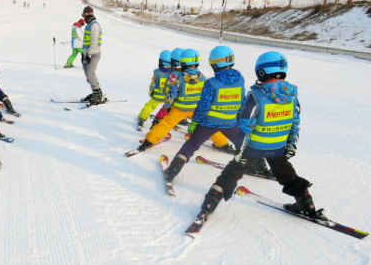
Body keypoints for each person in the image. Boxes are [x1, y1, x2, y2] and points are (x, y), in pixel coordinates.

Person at [192, 51, 326, 224]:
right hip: (278, 147)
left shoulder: (256, 96)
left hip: (253, 148)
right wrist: (291, 145)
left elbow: (245, 126)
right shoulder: (293, 96)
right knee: (288, 176)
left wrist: (240, 150)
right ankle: (307, 206)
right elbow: (295, 123)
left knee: (231, 173)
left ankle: (208, 206)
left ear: (261, 72)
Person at [162, 46, 271, 183]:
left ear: (214, 63)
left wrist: (195, 121)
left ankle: (172, 171)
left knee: (192, 144)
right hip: (230, 122)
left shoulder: (211, 83)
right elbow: (242, 101)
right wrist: (238, 119)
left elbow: (203, 106)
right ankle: (259, 167)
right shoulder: (240, 80)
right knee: (244, 143)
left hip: (209, 123)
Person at [134, 49, 232, 154]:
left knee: (165, 124)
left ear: (183, 62)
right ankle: (223, 144)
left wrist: (167, 106)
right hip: (196, 109)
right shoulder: (202, 77)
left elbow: (172, 94)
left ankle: (149, 142)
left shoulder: (178, 77)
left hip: (179, 109)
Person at [136, 50, 171, 131]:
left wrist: (151, 92)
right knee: (171, 107)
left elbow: (153, 83)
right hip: (169, 96)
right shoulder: (175, 73)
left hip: (157, 96)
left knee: (150, 106)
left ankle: (142, 118)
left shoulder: (157, 72)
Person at [80, 6, 104, 105]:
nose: (84, 20)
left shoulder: (94, 25)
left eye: (84, 17)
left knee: (90, 74)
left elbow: (94, 42)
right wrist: (84, 54)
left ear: (88, 16)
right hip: (88, 53)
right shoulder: (89, 25)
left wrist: (89, 55)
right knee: (88, 75)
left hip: (94, 54)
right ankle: (95, 92)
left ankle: (98, 94)